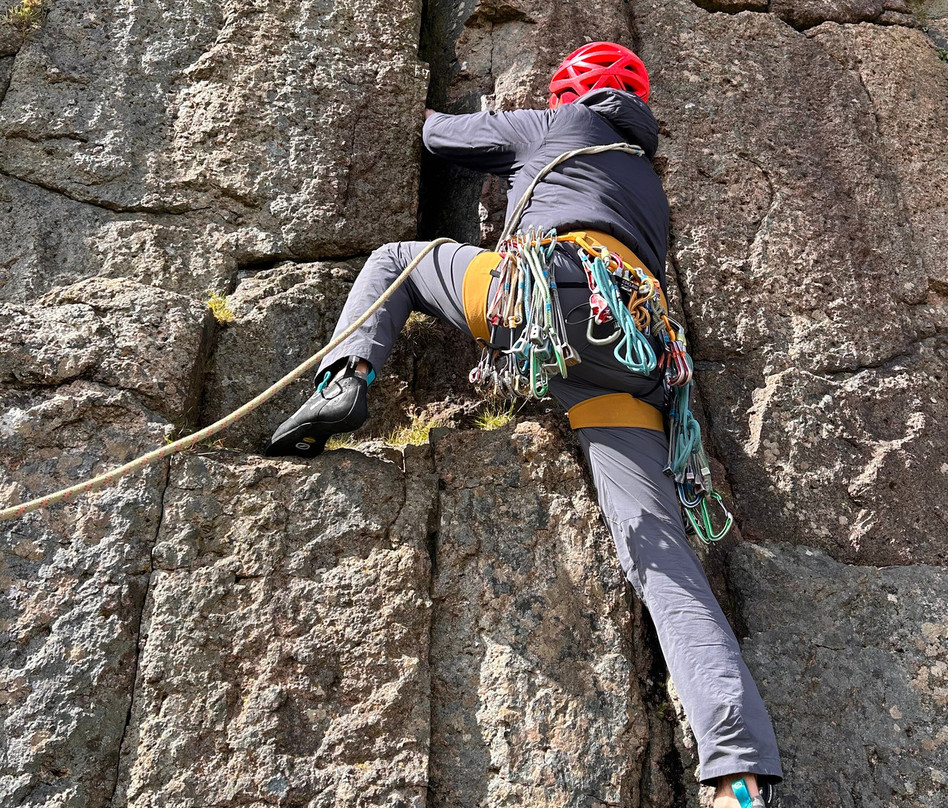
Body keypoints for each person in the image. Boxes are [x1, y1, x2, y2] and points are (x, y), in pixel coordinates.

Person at [265, 41, 782, 808]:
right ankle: (738, 775)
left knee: (395, 262)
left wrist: (403, 100)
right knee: (665, 562)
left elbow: (438, 135)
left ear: (571, 90)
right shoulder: (646, 176)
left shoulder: (551, 123)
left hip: (549, 297)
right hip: (633, 350)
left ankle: (342, 381)